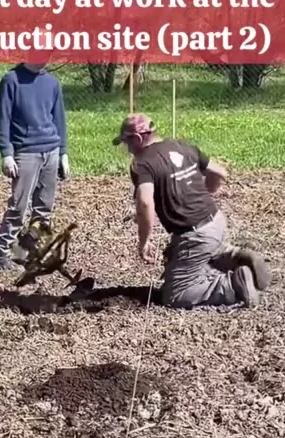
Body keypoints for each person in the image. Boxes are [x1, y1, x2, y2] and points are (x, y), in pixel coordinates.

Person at [113, 114, 270, 309]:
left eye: (127, 142)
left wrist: (144, 241)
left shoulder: (142, 164)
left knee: (175, 294)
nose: (127, 149)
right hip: (216, 221)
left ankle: (232, 285)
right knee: (203, 250)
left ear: (137, 139)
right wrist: (205, 191)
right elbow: (220, 172)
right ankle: (235, 257)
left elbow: (145, 202)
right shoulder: (182, 147)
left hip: (195, 234)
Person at [0, 61, 69, 271]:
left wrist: (63, 152)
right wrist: (7, 154)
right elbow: (3, 119)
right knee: (18, 207)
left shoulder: (52, 83)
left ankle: (28, 251)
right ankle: (2, 254)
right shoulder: (11, 80)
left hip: (51, 150)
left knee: (44, 208)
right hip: (25, 152)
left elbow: (59, 120)